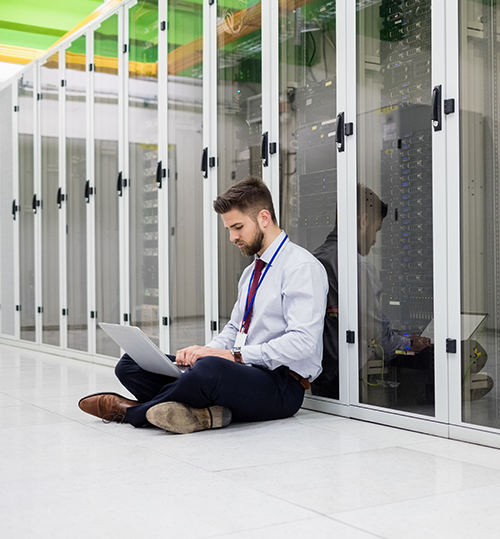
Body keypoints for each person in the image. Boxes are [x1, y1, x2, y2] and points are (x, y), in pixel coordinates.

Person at [78, 177, 328, 434]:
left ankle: (133, 412)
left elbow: (302, 342)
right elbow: (234, 329)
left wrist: (232, 357)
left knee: (211, 370)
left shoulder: (301, 268)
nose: (232, 237)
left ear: (264, 218)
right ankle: (204, 411)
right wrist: (203, 352)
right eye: (229, 229)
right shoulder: (252, 272)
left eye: (238, 227)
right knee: (131, 363)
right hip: (239, 372)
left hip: (281, 386)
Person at [310, 184, 430, 397]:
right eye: (376, 230)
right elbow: (379, 339)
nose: (374, 240)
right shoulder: (357, 267)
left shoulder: (313, 260)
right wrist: (409, 342)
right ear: (363, 221)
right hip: (350, 380)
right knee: (431, 357)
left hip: (320, 377)